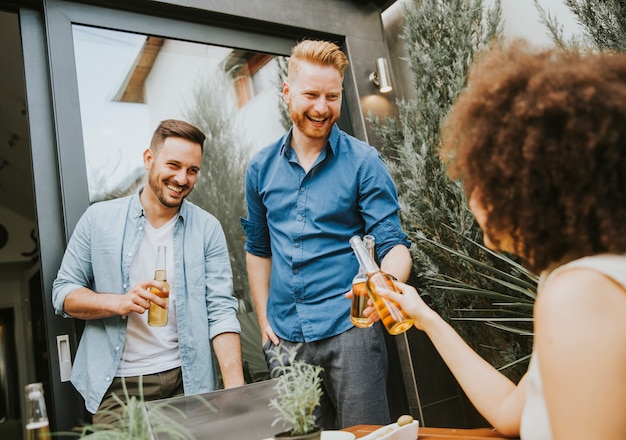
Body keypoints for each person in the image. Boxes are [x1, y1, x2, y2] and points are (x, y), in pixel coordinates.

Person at [374, 41, 626, 439]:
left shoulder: (580, 293)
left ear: (521, 182)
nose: (471, 193)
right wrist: (426, 317)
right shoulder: (581, 277)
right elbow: (512, 413)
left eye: (479, 173)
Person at [240, 39, 412, 430]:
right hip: (285, 339)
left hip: (351, 332)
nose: (321, 107)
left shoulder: (364, 162)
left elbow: (394, 245)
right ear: (287, 92)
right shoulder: (260, 168)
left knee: (365, 437)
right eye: (311, 94)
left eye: (331, 96)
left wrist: (386, 282)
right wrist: (265, 317)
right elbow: (258, 248)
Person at [52, 119, 245, 421]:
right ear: (148, 159)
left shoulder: (208, 229)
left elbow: (220, 310)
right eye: (173, 165)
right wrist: (119, 302)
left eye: (192, 170)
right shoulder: (98, 219)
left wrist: (235, 390)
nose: (182, 178)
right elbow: (63, 293)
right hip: (117, 389)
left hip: (187, 383)